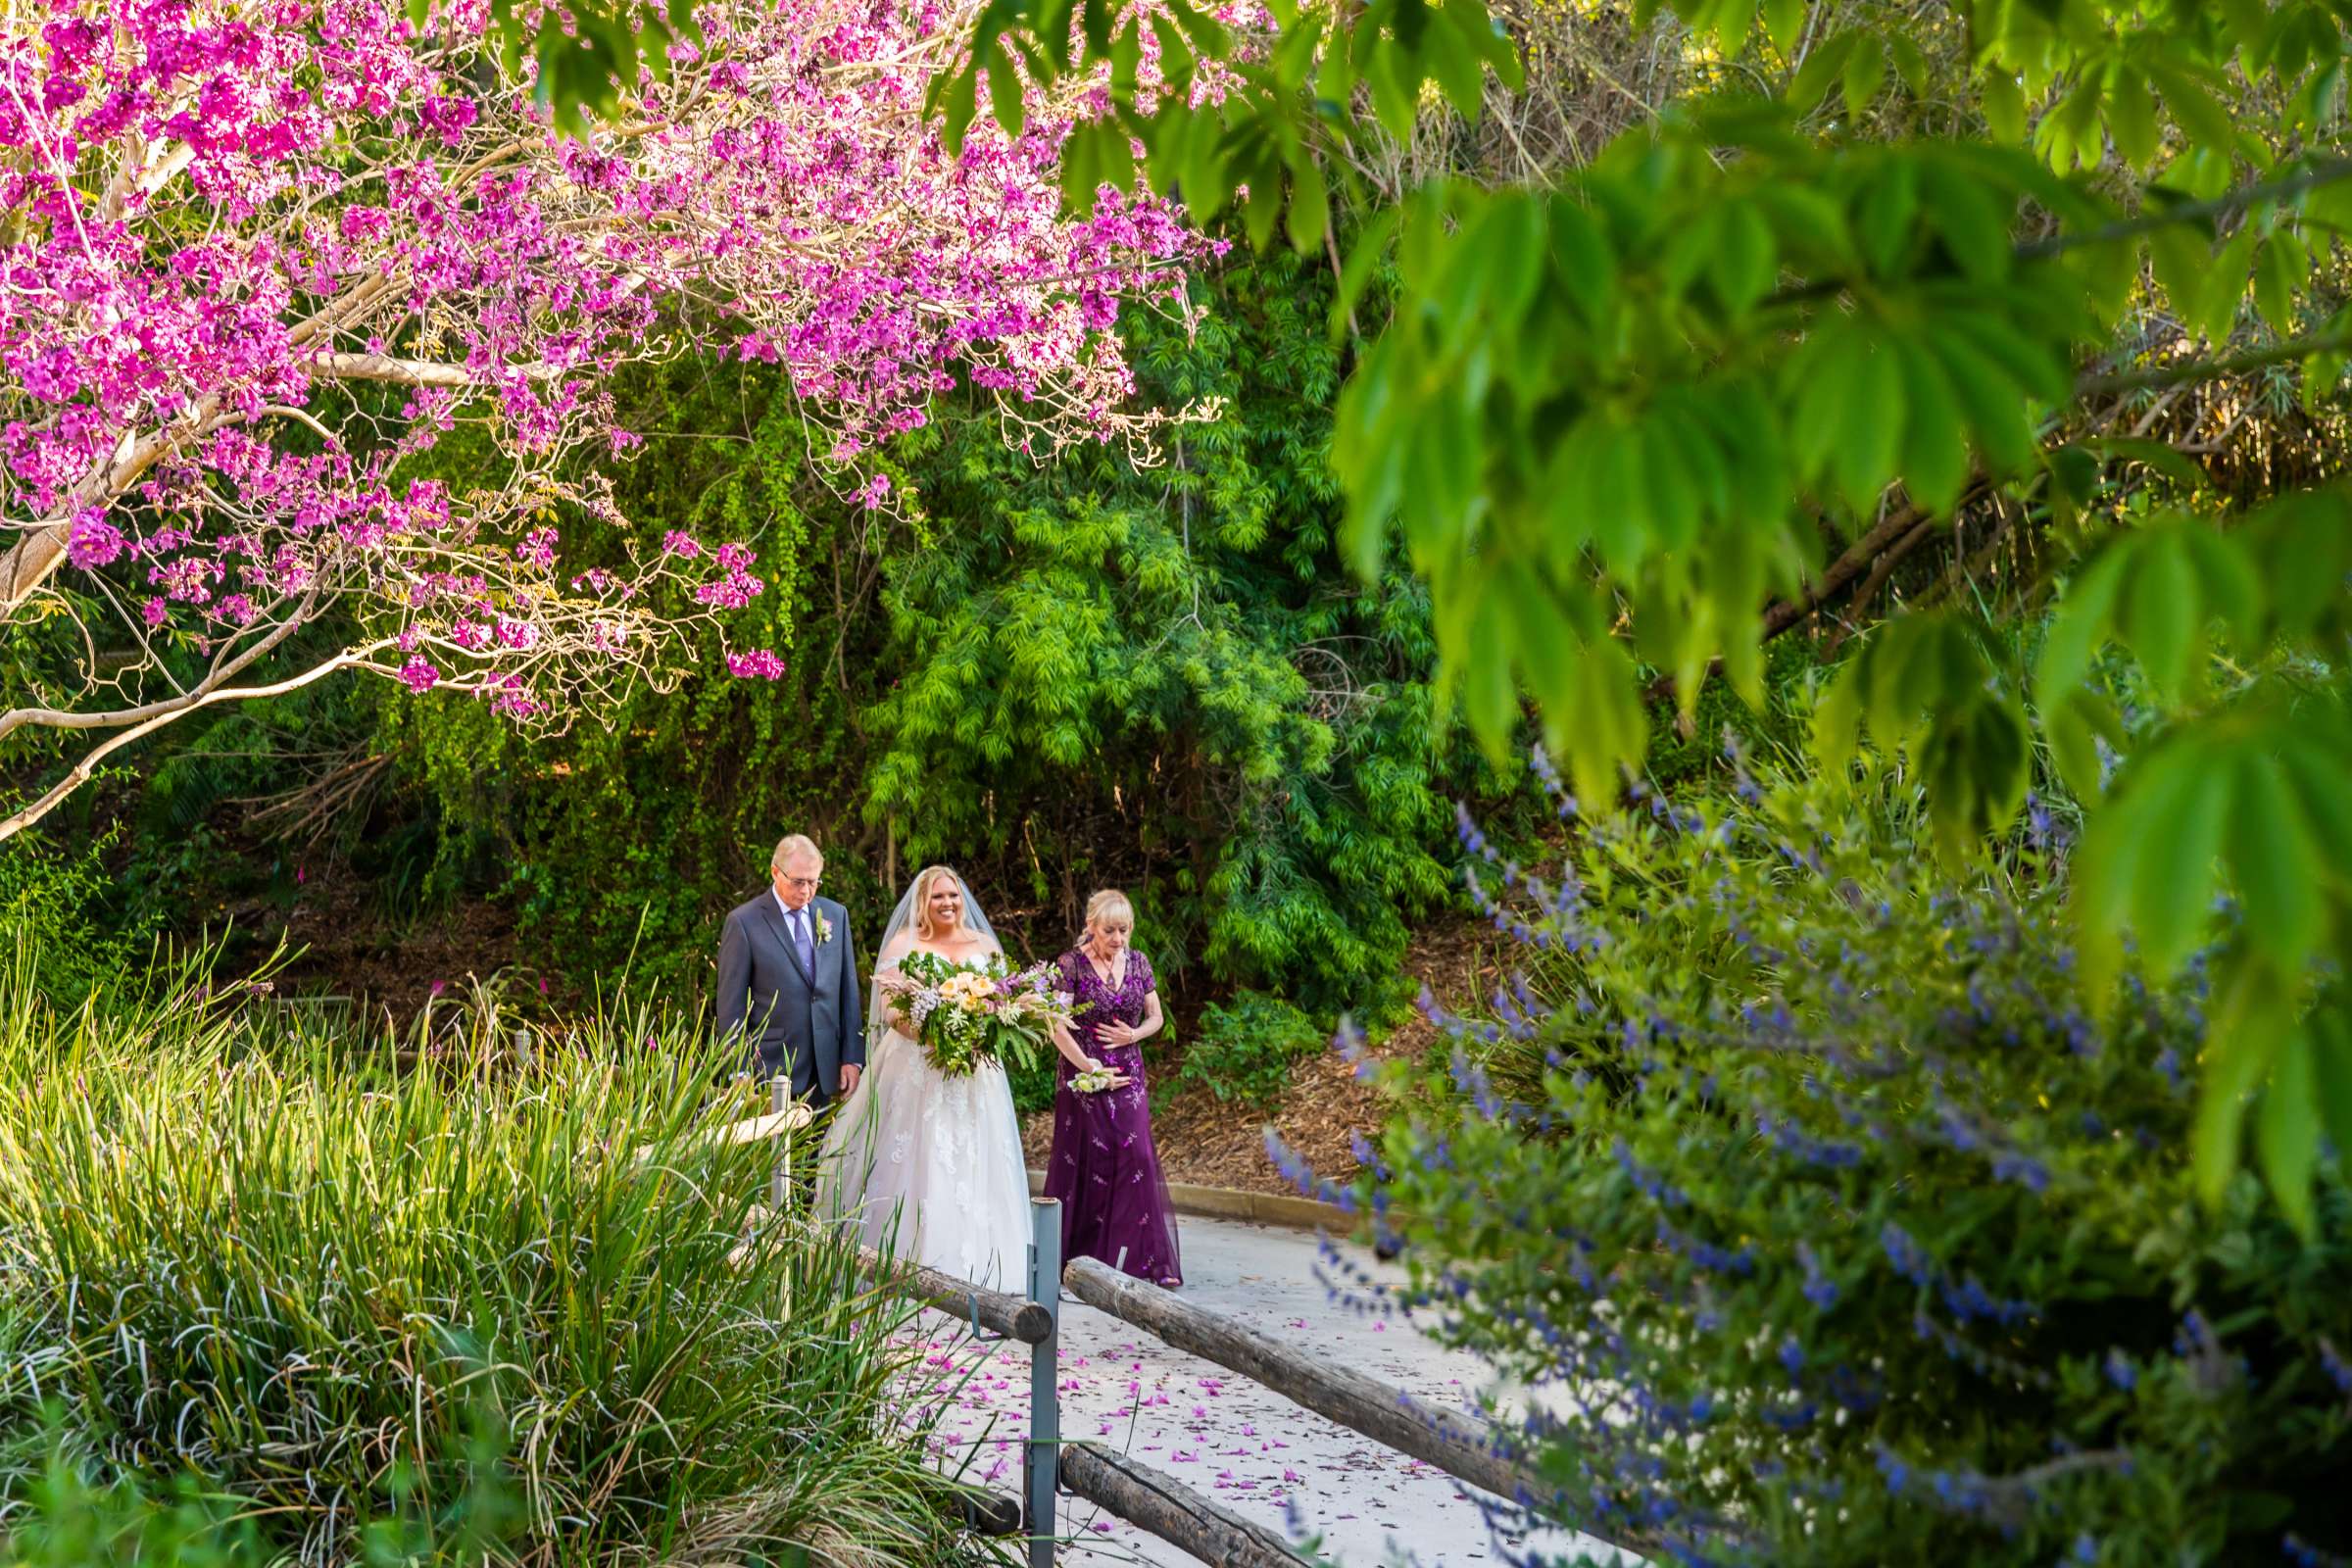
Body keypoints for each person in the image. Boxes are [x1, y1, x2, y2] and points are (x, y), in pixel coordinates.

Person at [815, 864, 1032, 1290]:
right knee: (918, 1157)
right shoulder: (904, 943)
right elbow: (893, 1010)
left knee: (976, 1157)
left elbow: (1005, 1002)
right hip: (918, 1069)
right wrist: (935, 1039)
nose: (948, 903)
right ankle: (904, 1264)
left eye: (953, 895)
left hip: (974, 1071)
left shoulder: (984, 945)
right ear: (922, 902)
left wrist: (976, 1037)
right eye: (938, 897)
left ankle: (982, 1267)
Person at [1044, 888, 1181, 1288]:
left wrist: (1134, 1034)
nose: (1118, 938)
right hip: (1084, 1074)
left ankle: (1141, 1259)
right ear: (1091, 926)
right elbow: (1054, 1023)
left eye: (1124, 930)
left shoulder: (1138, 963)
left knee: (1136, 1156)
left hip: (1129, 1073)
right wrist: (1089, 1067)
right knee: (1090, 1161)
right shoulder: (1070, 965)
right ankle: (1080, 1259)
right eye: (1109, 930)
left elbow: (1156, 1015)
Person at [713, 833, 863, 1107]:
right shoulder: (744, 923)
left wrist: (852, 1056)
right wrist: (739, 1069)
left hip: (827, 1070)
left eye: (814, 882)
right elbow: (730, 1007)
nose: (806, 891)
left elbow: (847, 991)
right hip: (769, 1071)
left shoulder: (835, 915)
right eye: (798, 882)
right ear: (775, 872)